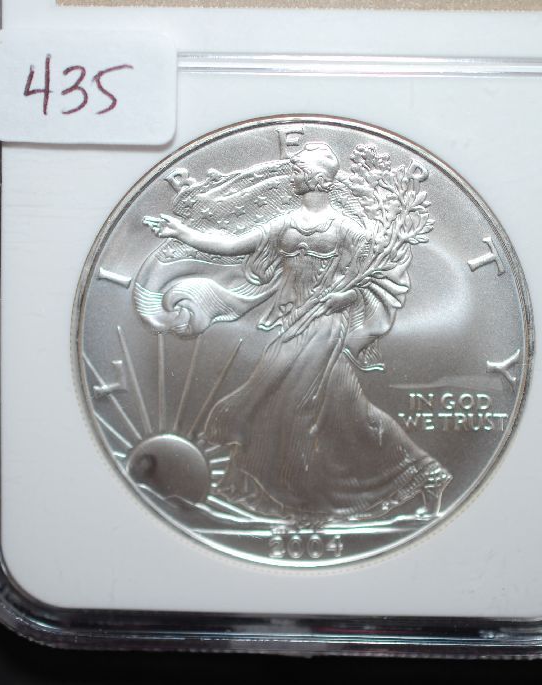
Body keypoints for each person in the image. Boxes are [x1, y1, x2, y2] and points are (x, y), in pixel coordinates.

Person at [147, 142, 450, 523]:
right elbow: (232, 246)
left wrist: (347, 296)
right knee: (349, 412)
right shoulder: (284, 224)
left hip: (326, 325)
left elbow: (383, 272)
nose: (293, 175)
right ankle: (426, 475)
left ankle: (306, 503)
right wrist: (184, 234)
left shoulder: (345, 229)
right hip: (294, 321)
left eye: (299, 169)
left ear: (320, 179)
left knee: (291, 404)